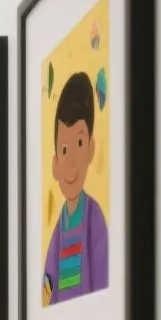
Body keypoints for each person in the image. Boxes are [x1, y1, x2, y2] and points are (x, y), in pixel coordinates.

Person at [41, 71, 108, 306]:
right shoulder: (58, 231)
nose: (70, 162)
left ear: (90, 148)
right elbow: (47, 287)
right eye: (64, 149)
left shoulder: (94, 218)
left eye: (79, 143)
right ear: (55, 164)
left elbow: (103, 280)